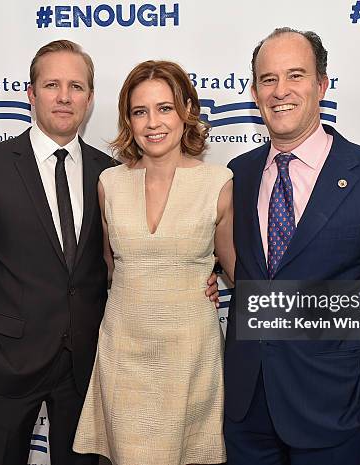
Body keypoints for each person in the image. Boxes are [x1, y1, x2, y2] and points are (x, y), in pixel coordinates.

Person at [0, 40, 217, 465]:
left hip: (88, 370)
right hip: (6, 365)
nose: (64, 96)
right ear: (31, 93)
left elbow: (123, 261)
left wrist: (202, 275)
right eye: (52, 84)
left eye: (76, 86)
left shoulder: (108, 173)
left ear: (90, 99)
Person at [223, 28, 360, 465]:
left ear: (321, 84)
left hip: (334, 407)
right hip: (247, 407)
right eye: (267, 79)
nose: (280, 91)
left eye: (295, 76)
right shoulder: (236, 175)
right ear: (254, 91)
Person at [73, 60, 235, 465]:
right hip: (123, 353)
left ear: (187, 110)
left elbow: (237, 270)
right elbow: (109, 266)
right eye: (139, 111)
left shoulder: (218, 182)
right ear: (128, 120)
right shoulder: (109, 183)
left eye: (164, 108)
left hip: (189, 356)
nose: (152, 122)